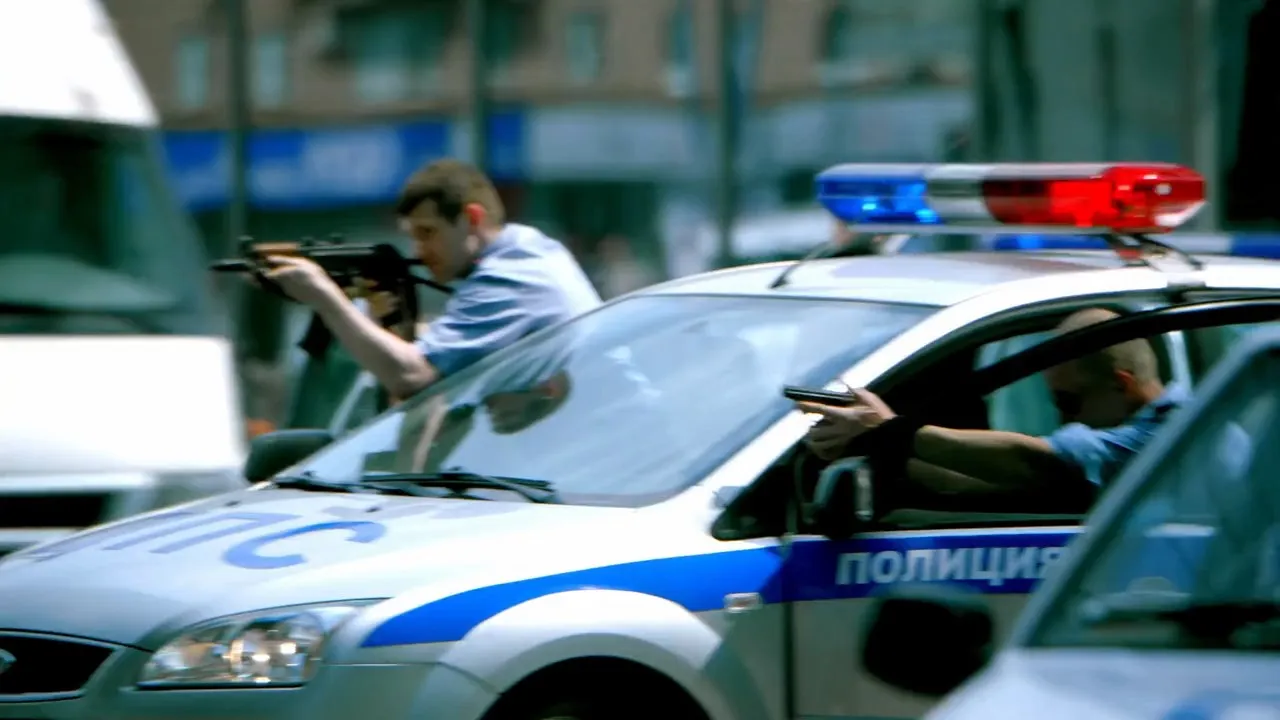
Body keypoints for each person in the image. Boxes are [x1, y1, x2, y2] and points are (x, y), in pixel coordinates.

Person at [261, 159, 602, 400]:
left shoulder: (509, 277)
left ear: (472, 218)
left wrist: (325, 297)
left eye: (428, 233)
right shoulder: (528, 251)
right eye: (413, 237)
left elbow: (412, 377)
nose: (419, 251)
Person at [797, 308, 1189, 497]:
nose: (1062, 418)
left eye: (1068, 401)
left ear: (1122, 385)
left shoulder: (1174, 433)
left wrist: (890, 430)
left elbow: (1031, 460)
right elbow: (984, 484)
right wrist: (877, 450)